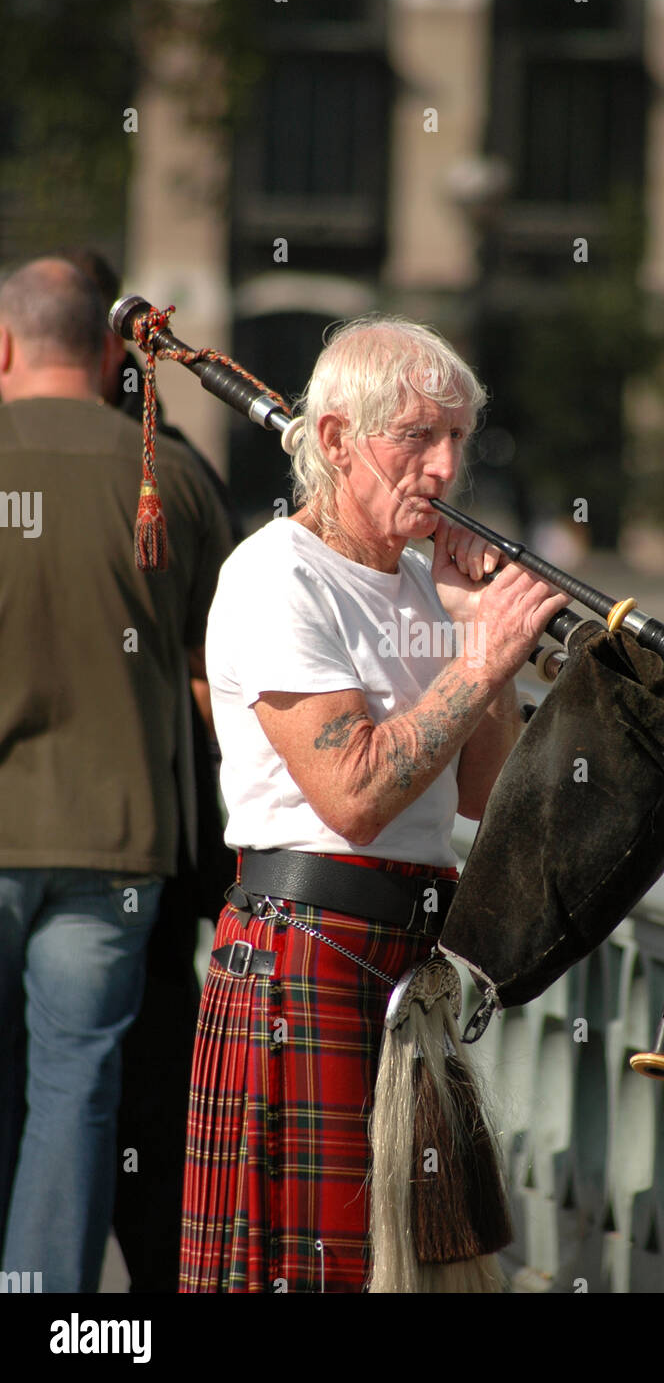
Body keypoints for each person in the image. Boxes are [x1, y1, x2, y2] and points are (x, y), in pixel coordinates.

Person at [179, 315, 569, 1293]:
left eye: (457, 440)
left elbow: (485, 788)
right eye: (417, 437)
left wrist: (477, 635)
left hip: (411, 965)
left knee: (404, 1269)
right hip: (304, 953)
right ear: (340, 438)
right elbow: (352, 791)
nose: (443, 467)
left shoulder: (418, 586)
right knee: (309, 1272)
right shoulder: (276, 577)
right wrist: (476, 662)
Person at [0, 257, 233, 1293]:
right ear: (107, 354)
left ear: (2, 347)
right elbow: (222, 675)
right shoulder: (169, 475)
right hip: (118, 849)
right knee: (76, 1093)